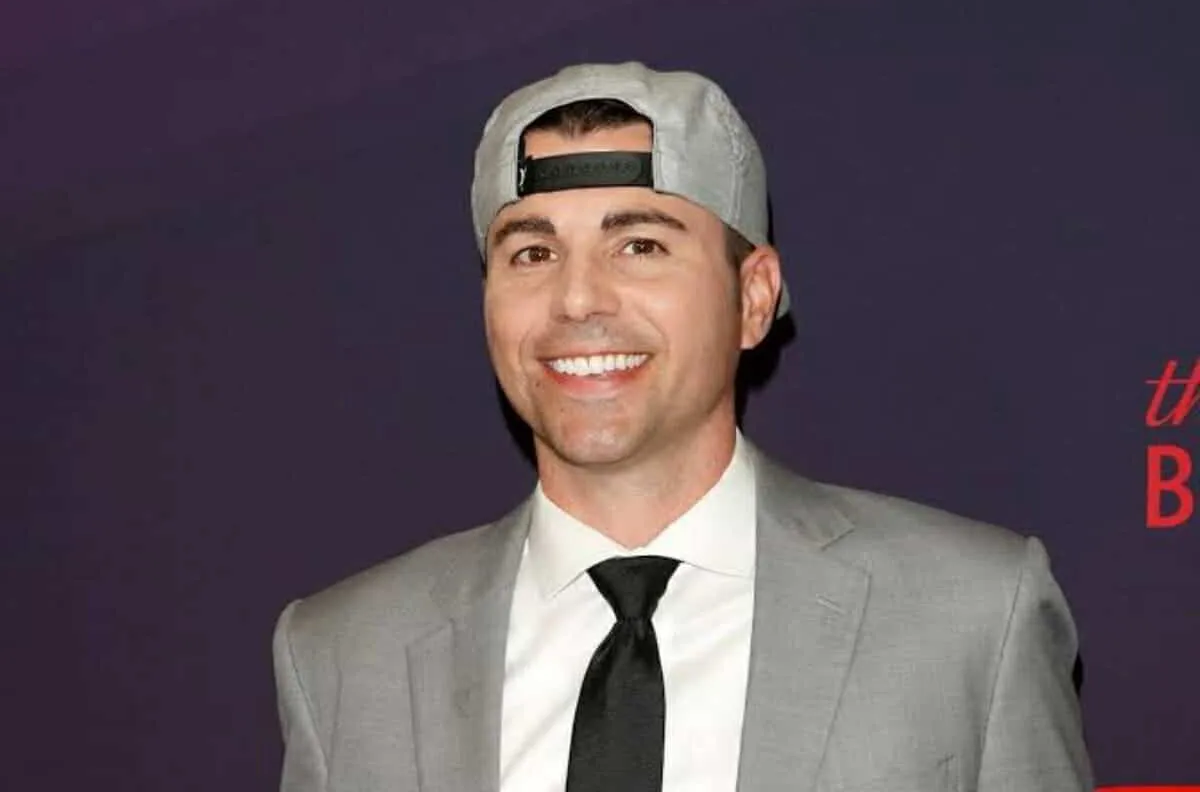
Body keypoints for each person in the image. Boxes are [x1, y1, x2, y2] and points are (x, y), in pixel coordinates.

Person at [272, 61, 1094, 792]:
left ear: (754, 297)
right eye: (532, 254)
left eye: (639, 246)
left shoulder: (972, 615)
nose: (577, 299)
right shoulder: (343, 656)